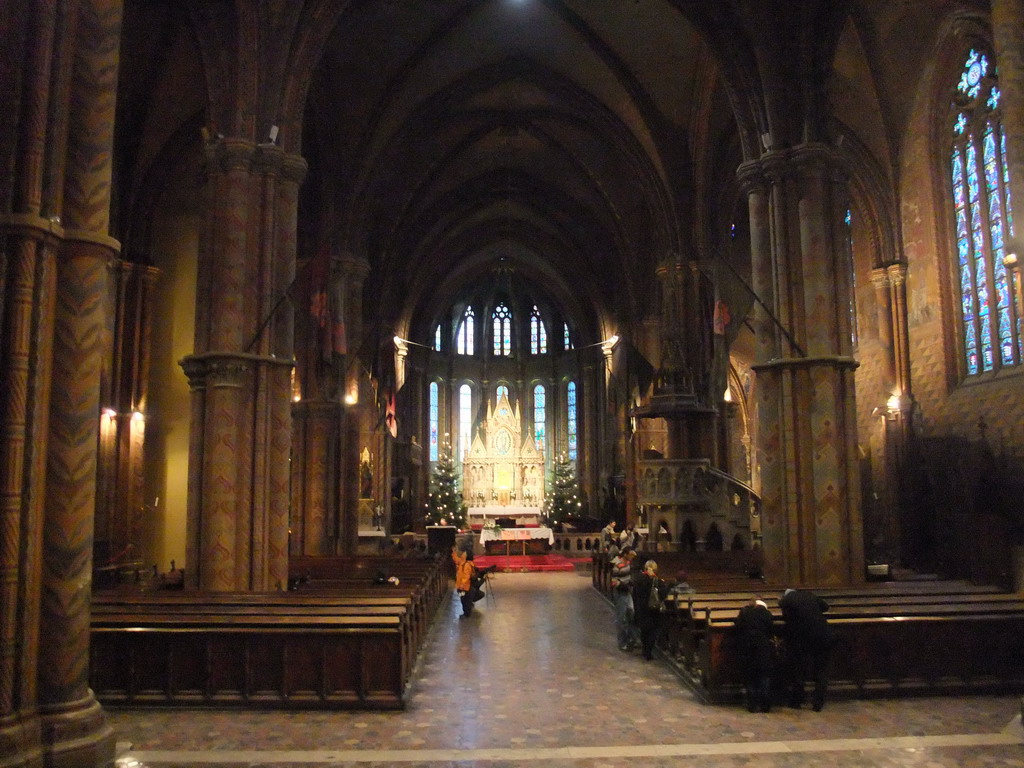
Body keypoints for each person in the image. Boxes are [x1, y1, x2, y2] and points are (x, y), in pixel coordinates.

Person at [779, 588, 834, 711]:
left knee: (799, 669)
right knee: (821, 669)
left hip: (801, 638)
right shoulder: (809, 595)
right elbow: (825, 607)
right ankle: (818, 703)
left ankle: (797, 701)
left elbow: (786, 617)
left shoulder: (786, 600)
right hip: (822, 634)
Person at [734, 596, 775, 712]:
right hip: (763, 647)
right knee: (764, 676)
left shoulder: (744, 612)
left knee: (750, 676)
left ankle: (752, 705)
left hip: (748, 647)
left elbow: (738, 626)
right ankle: (765, 705)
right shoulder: (766, 614)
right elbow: (771, 630)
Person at [632, 559, 668, 660]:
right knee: (653, 631)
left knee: (644, 631)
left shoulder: (638, 579)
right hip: (654, 610)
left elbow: (634, 594)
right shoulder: (658, 581)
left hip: (642, 609)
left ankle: (644, 649)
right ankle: (648, 651)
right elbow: (663, 595)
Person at [609, 547, 637, 651]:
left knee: (631, 613)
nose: (631, 557)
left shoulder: (630, 564)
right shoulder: (618, 565)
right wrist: (624, 584)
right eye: (630, 554)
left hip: (628, 592)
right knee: (621, 618)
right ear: (625, 554)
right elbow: (614, 581)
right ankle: (622, 642)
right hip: (621, 593)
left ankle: (631, 638)